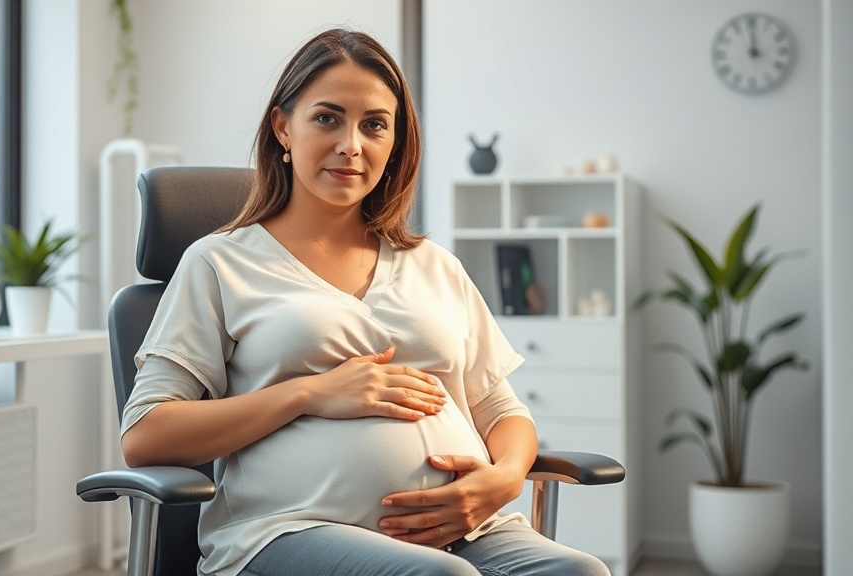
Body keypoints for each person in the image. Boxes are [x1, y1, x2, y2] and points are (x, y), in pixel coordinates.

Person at [120, 27, 611, 576]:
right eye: (327, 118)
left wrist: (506, 477)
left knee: (580, 572)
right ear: (283, 127)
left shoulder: (434, 265)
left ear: (395, 142)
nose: (351, 145)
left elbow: (500, 409)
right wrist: (310, 393)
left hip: (465, 531)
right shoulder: (220, 263)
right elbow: (146, 436)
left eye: (374, 125)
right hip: (286, 529)